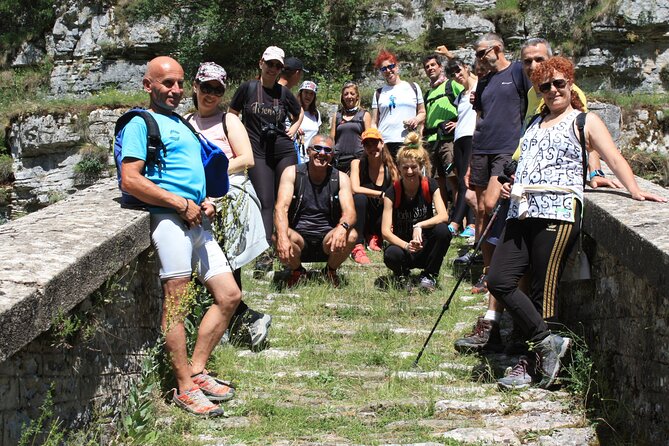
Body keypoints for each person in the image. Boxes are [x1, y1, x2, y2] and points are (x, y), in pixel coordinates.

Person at [489, 57, 666, 390]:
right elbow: (526, 163)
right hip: (521, 210)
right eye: (545, 86)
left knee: (545, 293)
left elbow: (613, 156)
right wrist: (511, 184)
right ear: (539, 92)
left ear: (571, 83)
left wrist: (636, 190)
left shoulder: (584, 121)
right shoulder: (533, 124)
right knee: (499, 279)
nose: (554, 90)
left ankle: (531, 364)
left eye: (559, 83)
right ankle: (546, 342)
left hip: (558, 210)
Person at [120, 56, 239, 416]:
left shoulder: (180, 123)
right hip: (170, 221)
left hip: (197, 219)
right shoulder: (142, 123)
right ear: (148, 86)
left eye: (178, 83)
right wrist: (178, 203)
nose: (174, 90)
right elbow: (131, 178)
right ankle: (183, 386)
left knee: (230, 295)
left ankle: (198, 370)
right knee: (177, 301)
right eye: (166, 83)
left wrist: (204, 199)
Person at [186, 62, 271, 350]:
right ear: (195, 86)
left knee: (225, 263)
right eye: (206, 87)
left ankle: (231, 325)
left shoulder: (229, 121)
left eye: (217, 90)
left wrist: (211, 175)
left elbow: (246, 158)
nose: (210, 94)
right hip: (198, 198)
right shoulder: (186, 121)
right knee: (210, 264)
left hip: (227, 196)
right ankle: (244, 321)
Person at [229, 46, 303, 274]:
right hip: (257, 151)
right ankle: (265, 254)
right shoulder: (248, 88)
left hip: (282, 149)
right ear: (261, 63)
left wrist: (294, 129)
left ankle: (291, 245)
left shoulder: (283, 93)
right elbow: (232, 113)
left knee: (288, 198)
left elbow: (299, 113)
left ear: (282, 69)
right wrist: (237, 138)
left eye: (277, 66)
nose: (272, 69)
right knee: (265, 201)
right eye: (269, 64)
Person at [469, 33, 532, 293]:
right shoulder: (483, 83)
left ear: (497, 48)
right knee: (481, 209)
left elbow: (531, 104)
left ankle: (502, 269)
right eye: (477, 54)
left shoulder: (518, 71)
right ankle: (487, 271)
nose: (479, 58)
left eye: (482, 53)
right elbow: (479, 120)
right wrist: (472, 158)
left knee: (493, 205)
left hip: (507, 149)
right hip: (482, 148)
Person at [274, 135, 358, 287]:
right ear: (308, 151)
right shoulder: (292, 173)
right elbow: (281, 207)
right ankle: (298, 271)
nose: (322, 153)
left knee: (351, 235)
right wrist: (282, 238)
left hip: (328, 239)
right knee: (278, 235)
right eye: (317, 148)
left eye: (327, 150)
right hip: (299, 238)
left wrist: (342, 228)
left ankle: (330, 271)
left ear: (332, 155)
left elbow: (350, 212)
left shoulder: (341, 178)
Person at [381, 132, 453, 292]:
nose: (409, 172)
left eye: (414, 167)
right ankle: (401, 274)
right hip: (403, 247)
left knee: (443, 230)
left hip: (425, 246)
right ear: (398, 167)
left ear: (421, 166)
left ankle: (430, 274)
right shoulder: (392, 191)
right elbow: (385, 231)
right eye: (405, 167)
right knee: (390, 254)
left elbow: (443, 216)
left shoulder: (430, 185)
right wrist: (406, 245)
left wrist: (419, 225)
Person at [349, 128, 400, 264]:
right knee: (359, 198)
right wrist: (381, 194)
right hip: (361, 215)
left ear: (382, 144)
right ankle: (357, 245)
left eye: (375, 143)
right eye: (368, 145)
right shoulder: (357, 164)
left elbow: (398, 193)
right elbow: (354, 188)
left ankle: (375, 236)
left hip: (381, 217)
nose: (372, 148)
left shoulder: (391, 168)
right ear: (364, 148)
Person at [422, 54, 464, 210]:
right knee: (437, 182)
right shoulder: (428, 93)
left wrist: (460, 122)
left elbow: (467, 98)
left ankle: (460, 220)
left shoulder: (451, 84)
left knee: (454, 179)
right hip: (432, 141)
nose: (430, 68)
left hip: (448, 139)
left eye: (433, 65)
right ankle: (443, 217)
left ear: (440, 67)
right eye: (427, 67)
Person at [371, 49, 426, 158]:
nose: (388, 70)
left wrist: (415, 120)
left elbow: (422, 112)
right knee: (389, 175)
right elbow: (374, 122)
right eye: (383, 69)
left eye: (390, 66)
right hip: (385, 142)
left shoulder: (413, 87)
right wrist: (376, 139)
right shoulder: (379, 93)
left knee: (409, 173)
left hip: (408, 141)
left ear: (397, 67)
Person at [446, 59, 478, 238]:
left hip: (472, 138)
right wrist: (457, 123)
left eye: (459, 71)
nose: (457, 76)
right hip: (459, 139)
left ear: (466, 68)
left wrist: (450, 56)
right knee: (461, 182)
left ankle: (456, 223)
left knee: (468, 181)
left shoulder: (478, 86)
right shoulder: (461, 95)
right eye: (453, 74)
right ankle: (469, 223)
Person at [330, 81, 372, 173]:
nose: (349, 96)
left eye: (352, 93)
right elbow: (332, 138)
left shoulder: (364, 114)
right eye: (346, 94)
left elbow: (369, 139)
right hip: (339, 160)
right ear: (342, 97)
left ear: (357, 96)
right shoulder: (337, 115)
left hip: (358, 159)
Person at [296, 80, 321, 163]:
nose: (308, 96)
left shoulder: (316, 114)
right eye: (306, 92)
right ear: (301, 93)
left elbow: (317, 135)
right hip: (295, 156)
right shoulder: (293, 111)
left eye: (311, 94)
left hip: (311, 158)